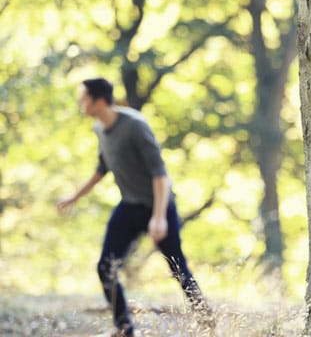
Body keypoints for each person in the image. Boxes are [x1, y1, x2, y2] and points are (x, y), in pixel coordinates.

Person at [57, 78, 214, 337]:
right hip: (130, 206)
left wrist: (160, 217)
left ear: (98, 101)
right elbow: (102, 167)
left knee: (177, 268)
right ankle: (124, 328)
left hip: (159, 205)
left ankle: (206, 321)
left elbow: (160, 174)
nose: (79, 104)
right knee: (105, 267)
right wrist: (74, 197)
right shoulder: (99, 128)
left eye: (83, 98)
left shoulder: (135, 126)